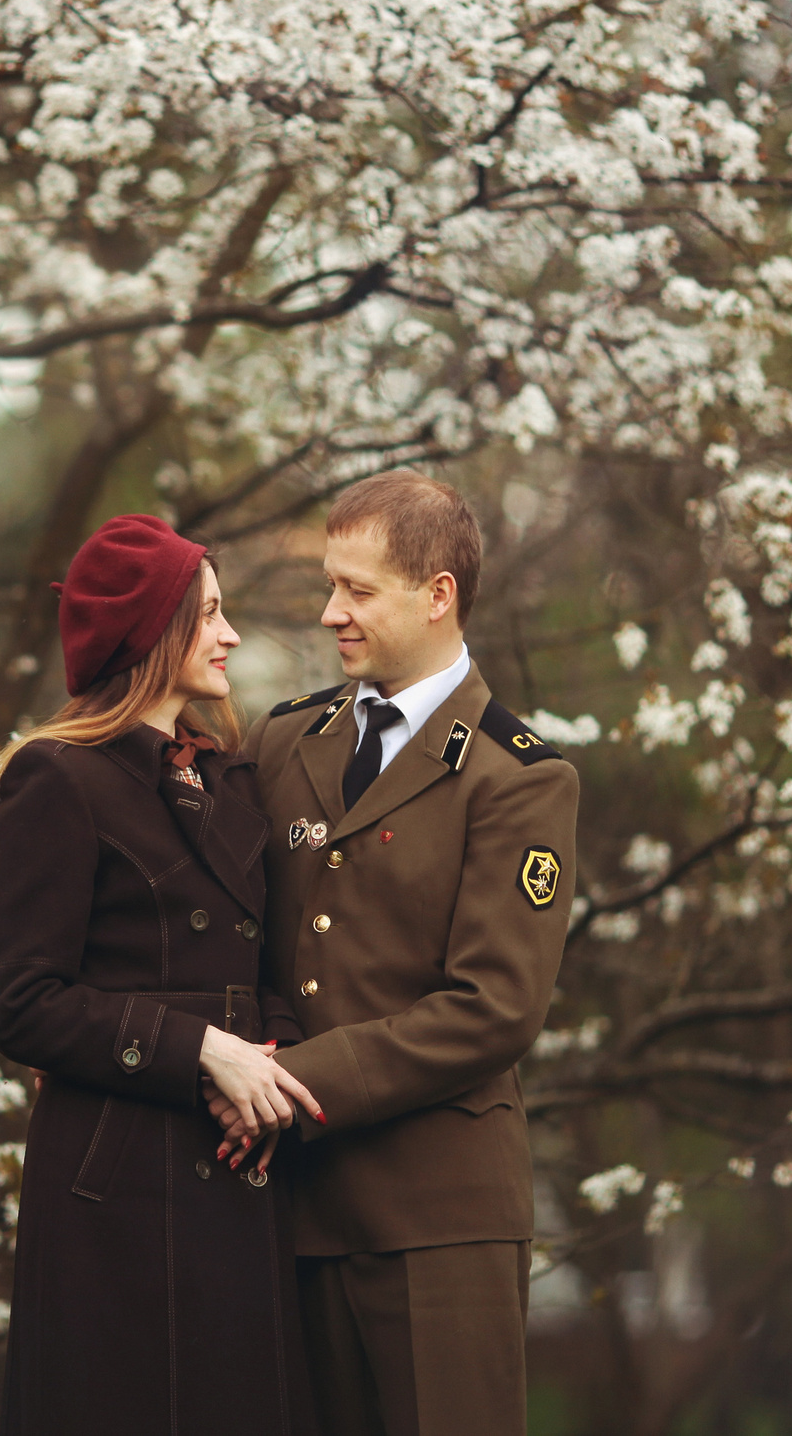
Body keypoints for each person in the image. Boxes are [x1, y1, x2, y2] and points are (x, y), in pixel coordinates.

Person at [227, 471, 581, 1436]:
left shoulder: (521, 779)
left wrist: (288, 1081)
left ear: (438, 595)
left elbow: (495, 1006)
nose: (331, 612)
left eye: (359, 590)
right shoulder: (283, 741)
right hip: (290, 1215)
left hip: (440, 1222)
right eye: (331, 584)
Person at [0, 513, 324, 1436]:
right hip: (115, 1192)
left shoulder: (231, 781)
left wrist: (266, 1064)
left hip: (235, 1164)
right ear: (153, 629)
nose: (231, 634)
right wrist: (203, 1051)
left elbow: (267, 964)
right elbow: (20, 1002)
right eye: (208, 614)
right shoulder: (56, 777)